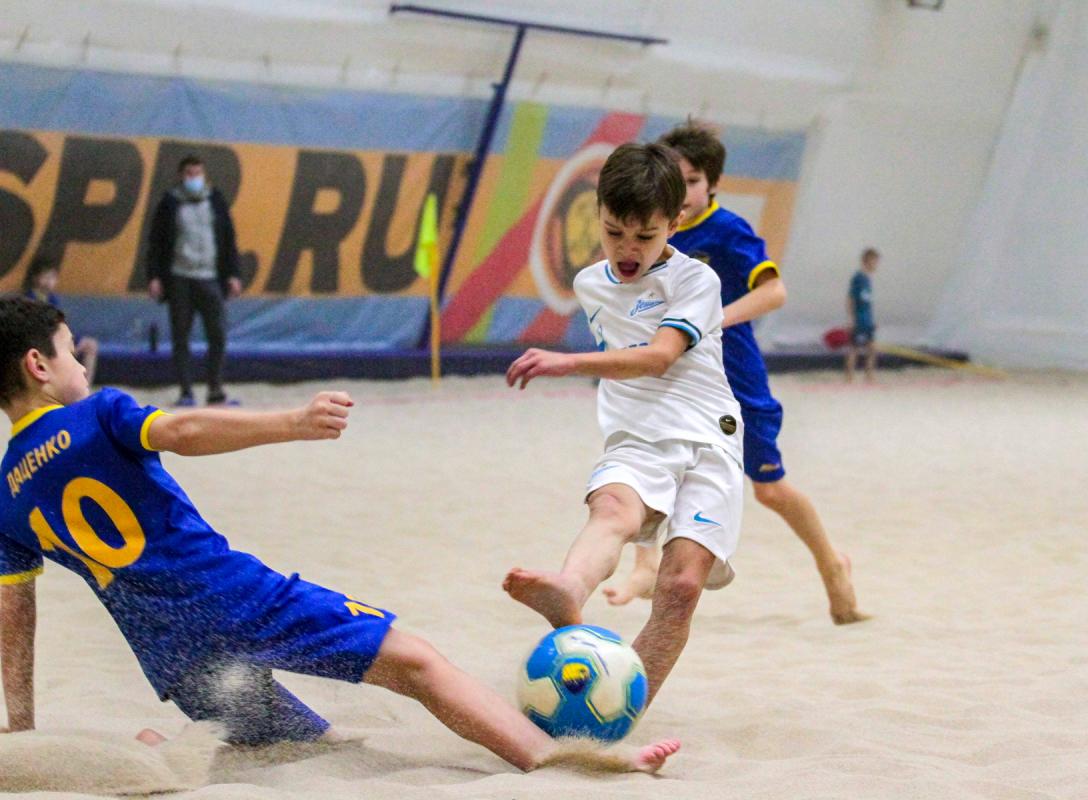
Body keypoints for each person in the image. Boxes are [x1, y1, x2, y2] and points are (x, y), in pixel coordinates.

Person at [0, 295, 678, 775]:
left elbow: (15, 615)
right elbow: (180, 430)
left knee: (304, 744)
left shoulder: (6, 493)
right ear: (38, 365)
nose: (81, 365)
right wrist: (291, 422)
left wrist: (23, 730)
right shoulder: (99, 413)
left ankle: (160, 748)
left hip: (169, 651)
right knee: (418, 665)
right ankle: (547, 756)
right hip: (235, 597)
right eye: (70, 352)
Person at [502, 142, 744, 708]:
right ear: (599, 214)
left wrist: (566, 363)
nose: (628, 249)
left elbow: (659, 357)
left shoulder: (696, 282)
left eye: (645, 236)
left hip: (709, 438)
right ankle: (568, 589)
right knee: (612, 509)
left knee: (680, 586)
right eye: (614, 232)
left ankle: (622, 708)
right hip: (637, 436)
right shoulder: (590, 283)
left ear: (674, 224)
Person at [602, 123, 867, 625]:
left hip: (735, 376)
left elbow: (774, 293)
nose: (684, 191)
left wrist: (710, 319)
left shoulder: (727, 231)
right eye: (676, 180)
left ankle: (832, 563)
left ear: (713, 183)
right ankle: (644, 566)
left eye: (693, 180)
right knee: (654, 462)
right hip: (677, 376)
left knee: (769, 489)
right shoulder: (652, 230)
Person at [145, 155, 242, 407]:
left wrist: (233, 274)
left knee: (218, 335)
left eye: (198, 173)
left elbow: (228, 239)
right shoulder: (170, 203)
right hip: (180, 278)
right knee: (181, 337)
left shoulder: (215, 200)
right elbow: (156, 243)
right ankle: (186, 391)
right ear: (181, 175)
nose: (194, 178)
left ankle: (215, 390)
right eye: (189, 173)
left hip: (210, 278)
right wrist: (154, 276)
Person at [21, 257, 99, 386]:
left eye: (52, 277)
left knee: (91, 345)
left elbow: (59, 323)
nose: (49, 281)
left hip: (57, 338)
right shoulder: (29, 299)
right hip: (42, 341)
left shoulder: (52, 299)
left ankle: (85, 386)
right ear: (35, 278)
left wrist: (68, 339)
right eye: (45, 277)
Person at [846, 248, 880, 383]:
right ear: (867, 261)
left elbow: (867, 303)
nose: (876, 265)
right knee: (854, 349)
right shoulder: (858, 278)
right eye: (874, 262)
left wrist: (872, 320)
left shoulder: (867, 279)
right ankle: (849, 378)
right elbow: (850, 299)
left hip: (867, 320)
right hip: (859, 319)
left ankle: (869, 377)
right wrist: (851, 319)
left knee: (872, 349)